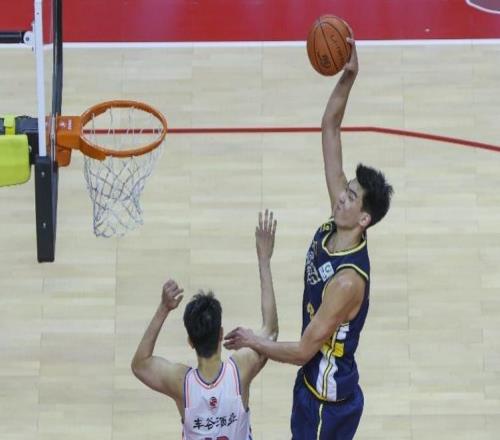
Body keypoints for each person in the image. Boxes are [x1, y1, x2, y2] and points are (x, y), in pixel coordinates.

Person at [224, 37, 394, 439]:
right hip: (312, 387)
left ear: (364, 218)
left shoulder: (347, 282)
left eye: (351, 196)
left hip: (326, 403)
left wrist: (253, 340)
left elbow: (303, 351)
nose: (341, 196)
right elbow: (330, 129)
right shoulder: (339, 220)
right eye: (345, 189)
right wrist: (348, 78)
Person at [131, 210, 278, 439]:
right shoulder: (240, 370)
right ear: (221, 334)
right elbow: (270, 331)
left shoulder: (181, 382)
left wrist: (164, 308)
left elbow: (140, 364)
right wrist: (264, 260)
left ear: (190, 341)